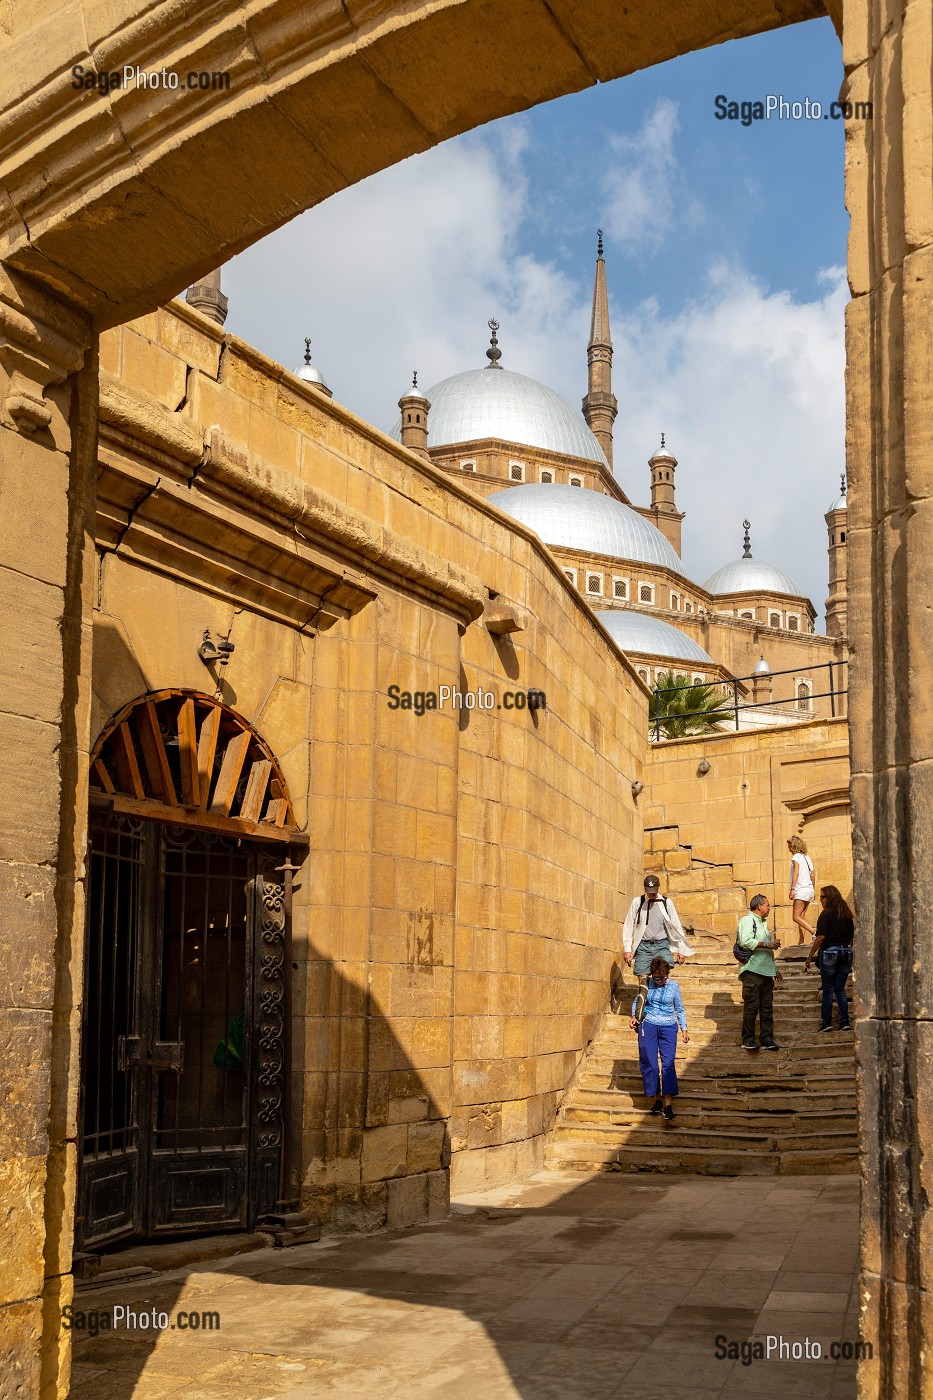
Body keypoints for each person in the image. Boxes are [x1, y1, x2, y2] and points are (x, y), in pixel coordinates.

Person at [629, 956, 688, 1120]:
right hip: (648, 1025)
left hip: (669, 1027)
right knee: (650, 1063)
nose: (660, 981)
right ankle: (656, 1099)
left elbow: (680, 1009)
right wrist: (634, 1017)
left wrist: (684, 1028)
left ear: (668, 974)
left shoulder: (674, 986)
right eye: (657, 978)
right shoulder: (646, 984)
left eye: (663, 977)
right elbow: (638, 1001)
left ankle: (668, 1105)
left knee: (668, 1064)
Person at [622, 874, 694, 978]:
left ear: (658, 887)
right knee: (642, 979)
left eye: (653, 891)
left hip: (661, 945)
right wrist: (627, 949)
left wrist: (681, 950)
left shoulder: (666, 903)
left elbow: (677, 927)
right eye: (649, 891)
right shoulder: (637, 902)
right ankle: (645, 994)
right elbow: (628, 926)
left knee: (662, 976)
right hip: (643, 947)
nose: (651, 893)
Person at [736, 893, 782, 1051]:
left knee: (767, 1007)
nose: (769, 907)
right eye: (767, 905)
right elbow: (746, 941)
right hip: (752, 970)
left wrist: (774, 969)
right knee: (752, 1006)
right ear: (759, 906)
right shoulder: (747, 920)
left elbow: (766, 952)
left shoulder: (762, 924)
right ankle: (748, 1039)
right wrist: (767, 944)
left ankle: (767, 1039)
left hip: (766, 971)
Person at [805, 885, 854, 1031]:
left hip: (831, 952)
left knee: (828, 989)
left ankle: (827, 1022)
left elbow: (820, 937)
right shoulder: (846, 914)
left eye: (822, 897)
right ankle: (844, 1021)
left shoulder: (826, 914)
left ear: (830, 897)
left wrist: (810, 956)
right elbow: (852, 938)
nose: (820, 900)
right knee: (840, 989)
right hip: (846, 953)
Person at [787, 835, 816, 943]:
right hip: (809, 890)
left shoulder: (796, 857)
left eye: (789, 846)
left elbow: (796, 872)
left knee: (796, 917)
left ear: (793, 846)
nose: (789, 848)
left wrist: (792, 889)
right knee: (801, 917)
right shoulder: (807, 858)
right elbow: (812, 875)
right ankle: (801, 941)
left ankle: (814, 932)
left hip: (801, 890)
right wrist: (814, 890)